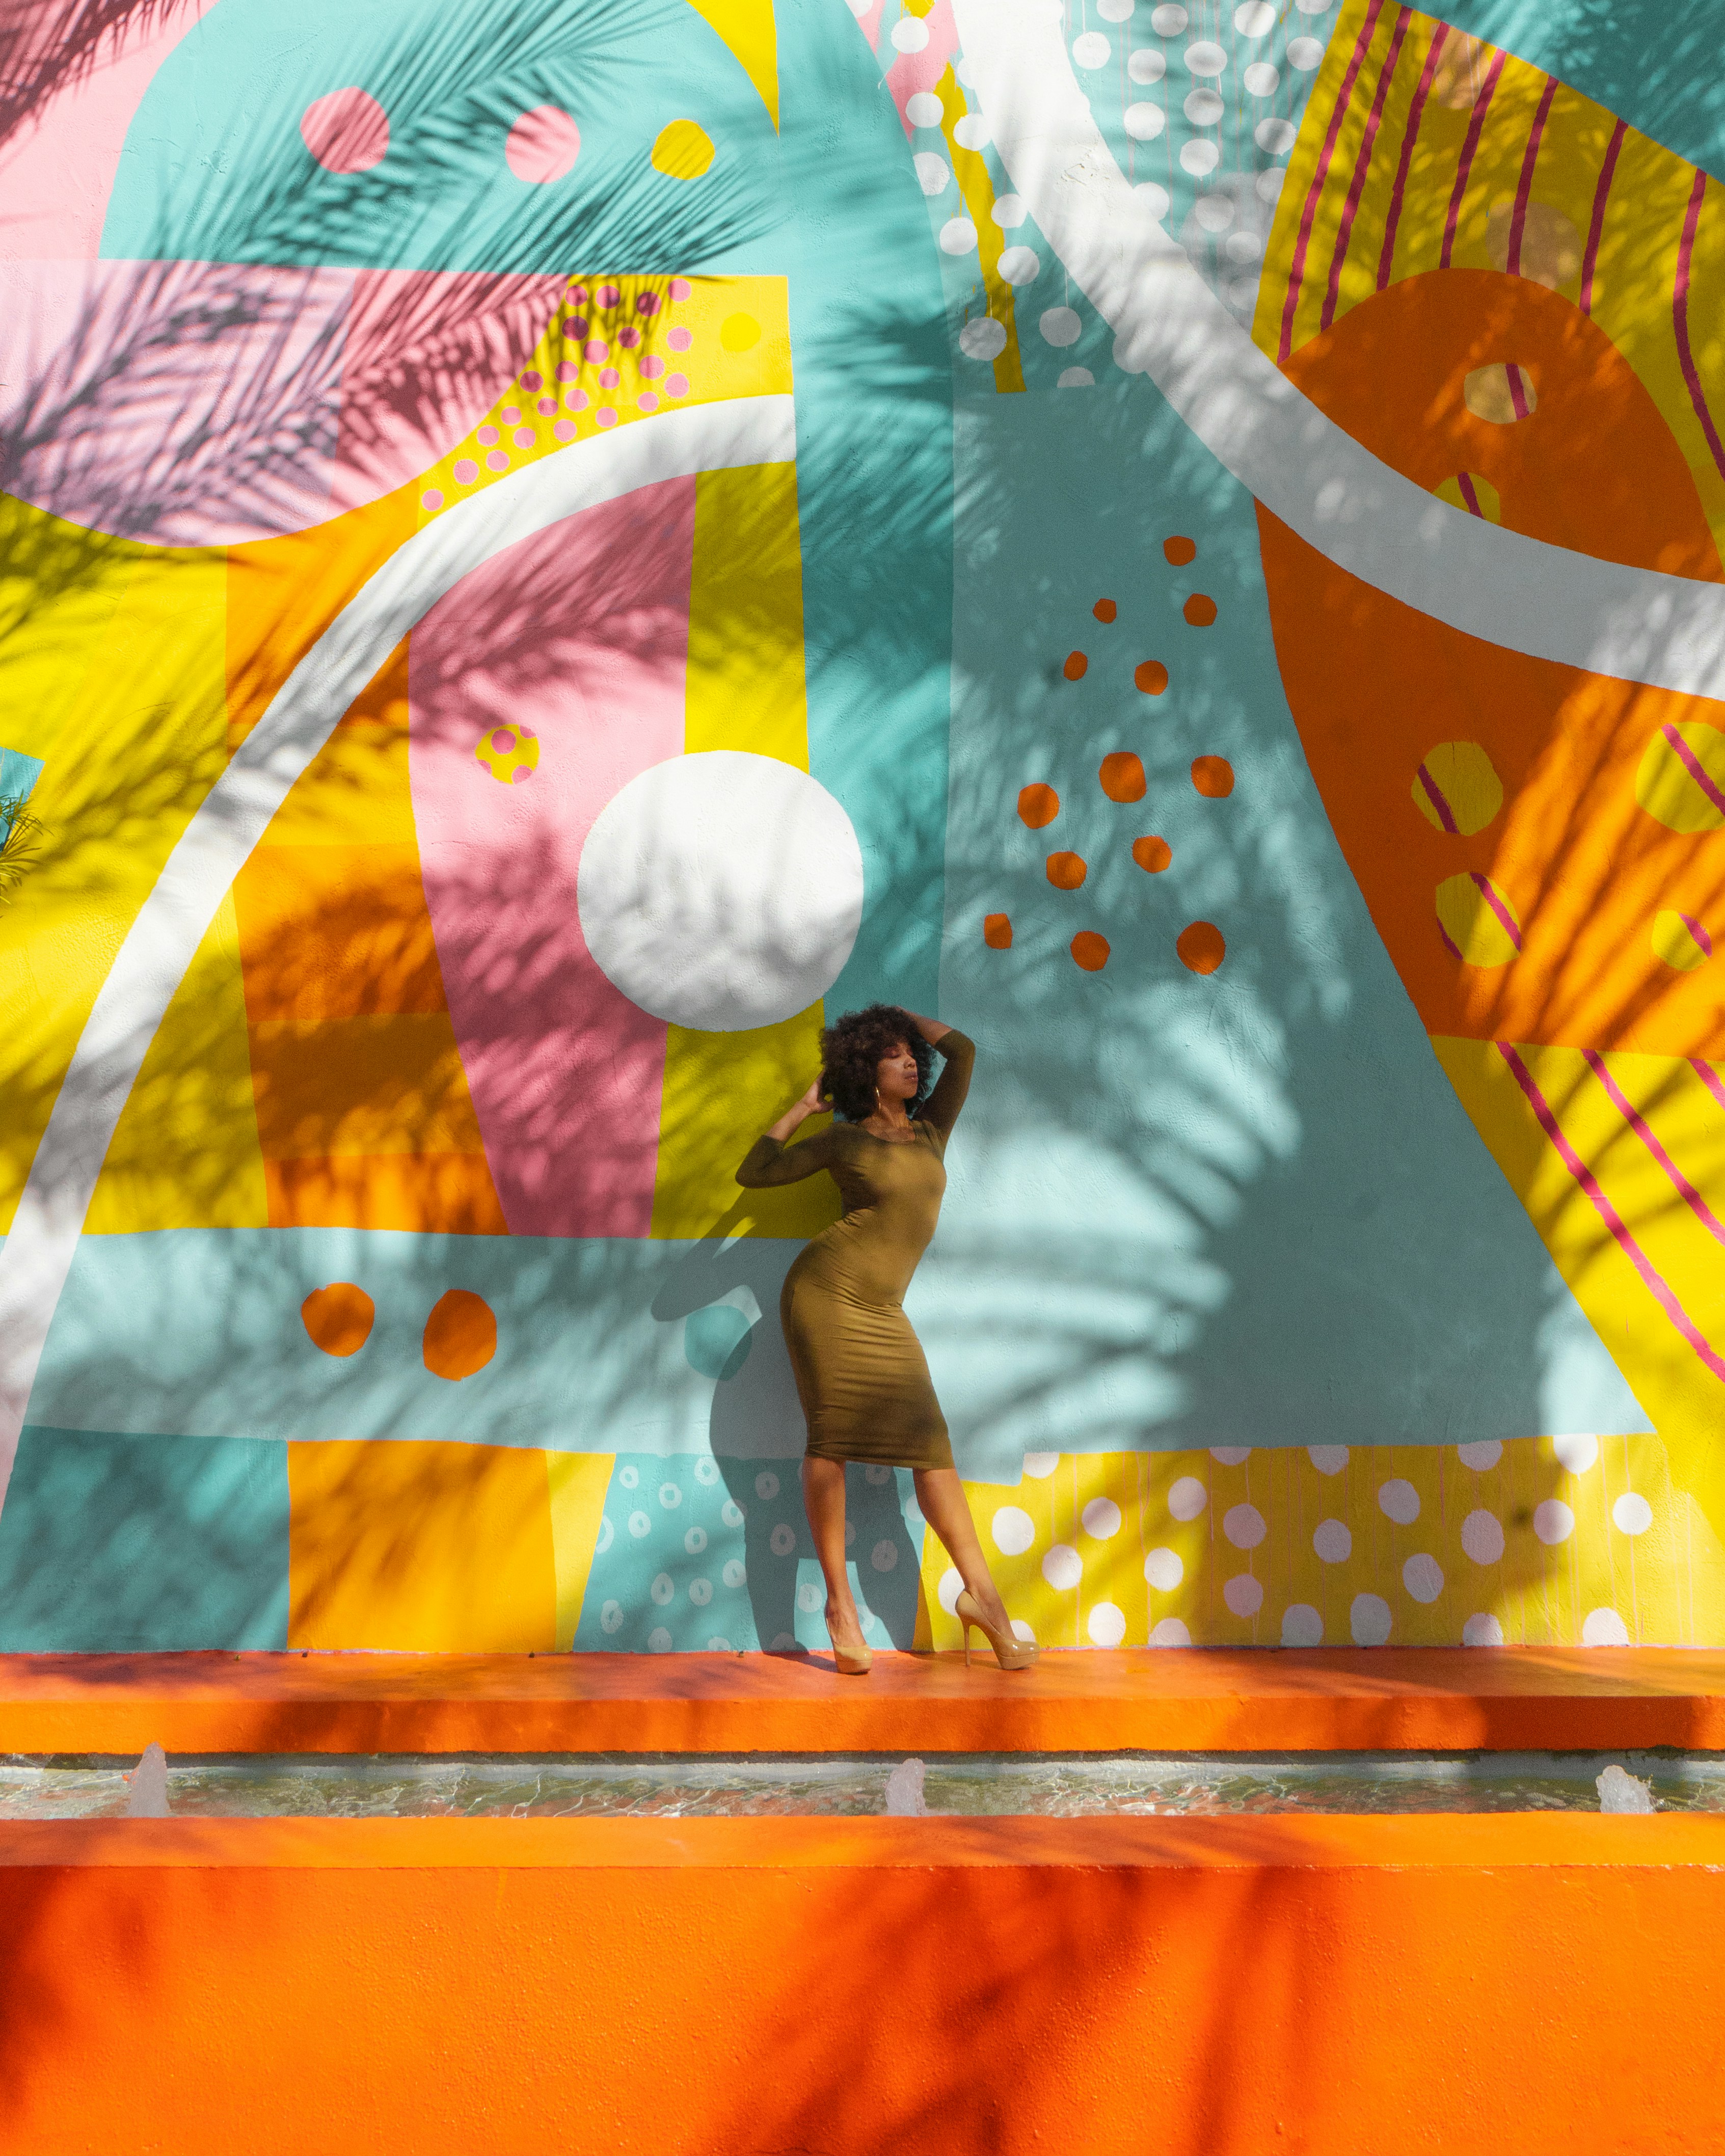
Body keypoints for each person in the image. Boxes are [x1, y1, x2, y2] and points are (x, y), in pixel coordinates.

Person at [736, 1006, 1035, 1677]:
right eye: (892, 1053)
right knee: (832, 1439)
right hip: (823, 1297)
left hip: (882, 1310)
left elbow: (964, 1052)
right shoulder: (843, 1141)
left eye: (910, 1055)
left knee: (930, 1447)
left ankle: (985, 1602)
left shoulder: (931, 1130)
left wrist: (901, 1017)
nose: (909, 1062)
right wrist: (802, 1106)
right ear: (863, 1068)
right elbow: (754, 1174)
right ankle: (839, 1611)